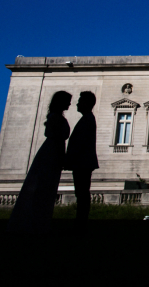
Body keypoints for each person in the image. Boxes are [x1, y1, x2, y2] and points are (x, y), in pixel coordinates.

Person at [8, 91, 72, 234]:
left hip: (53, 152)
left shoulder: (55, 117)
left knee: (45, 188)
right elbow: (55, 136)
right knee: (43, 187)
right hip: (51, 153)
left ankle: (38, 221)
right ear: (60, 102)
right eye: (68, 101)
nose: (70, 104)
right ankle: (35, 222)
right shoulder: (55, 118)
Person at [64, 91, 98, 230]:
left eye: (80, 101)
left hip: (82, 163)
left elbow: (80, 143)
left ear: (87, 103)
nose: (77, 104)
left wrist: (69, 159)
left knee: (82, 193)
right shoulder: (87, 119)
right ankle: (81, 221)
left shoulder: (88, 119)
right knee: (81, 193)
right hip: (83, 162)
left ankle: (81, 222)